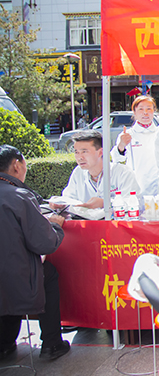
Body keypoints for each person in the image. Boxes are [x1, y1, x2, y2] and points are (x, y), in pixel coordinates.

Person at [0, 145, 70, 361]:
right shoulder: (19, 196)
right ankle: (51, 343)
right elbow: (45, 243)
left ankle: (5, 342)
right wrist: (55, 226)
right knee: (46, 273)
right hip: (15, 275)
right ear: (16, 165)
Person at [62, 130, 140, 208]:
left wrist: (106, 203)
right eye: (76, 152)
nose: (80, 157)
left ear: (100, 152)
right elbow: (68, 199)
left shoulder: (123, 173)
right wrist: (61, 205)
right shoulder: (78, 172)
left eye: (84, 152)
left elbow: (133, 203)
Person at [110, 95, 159, 196]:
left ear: (154, 111)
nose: (145, 112)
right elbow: (116, 160)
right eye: (141, 109)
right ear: (134, 112)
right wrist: (121, 146)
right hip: (138, 184)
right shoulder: (128, 135)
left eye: (149, 109)